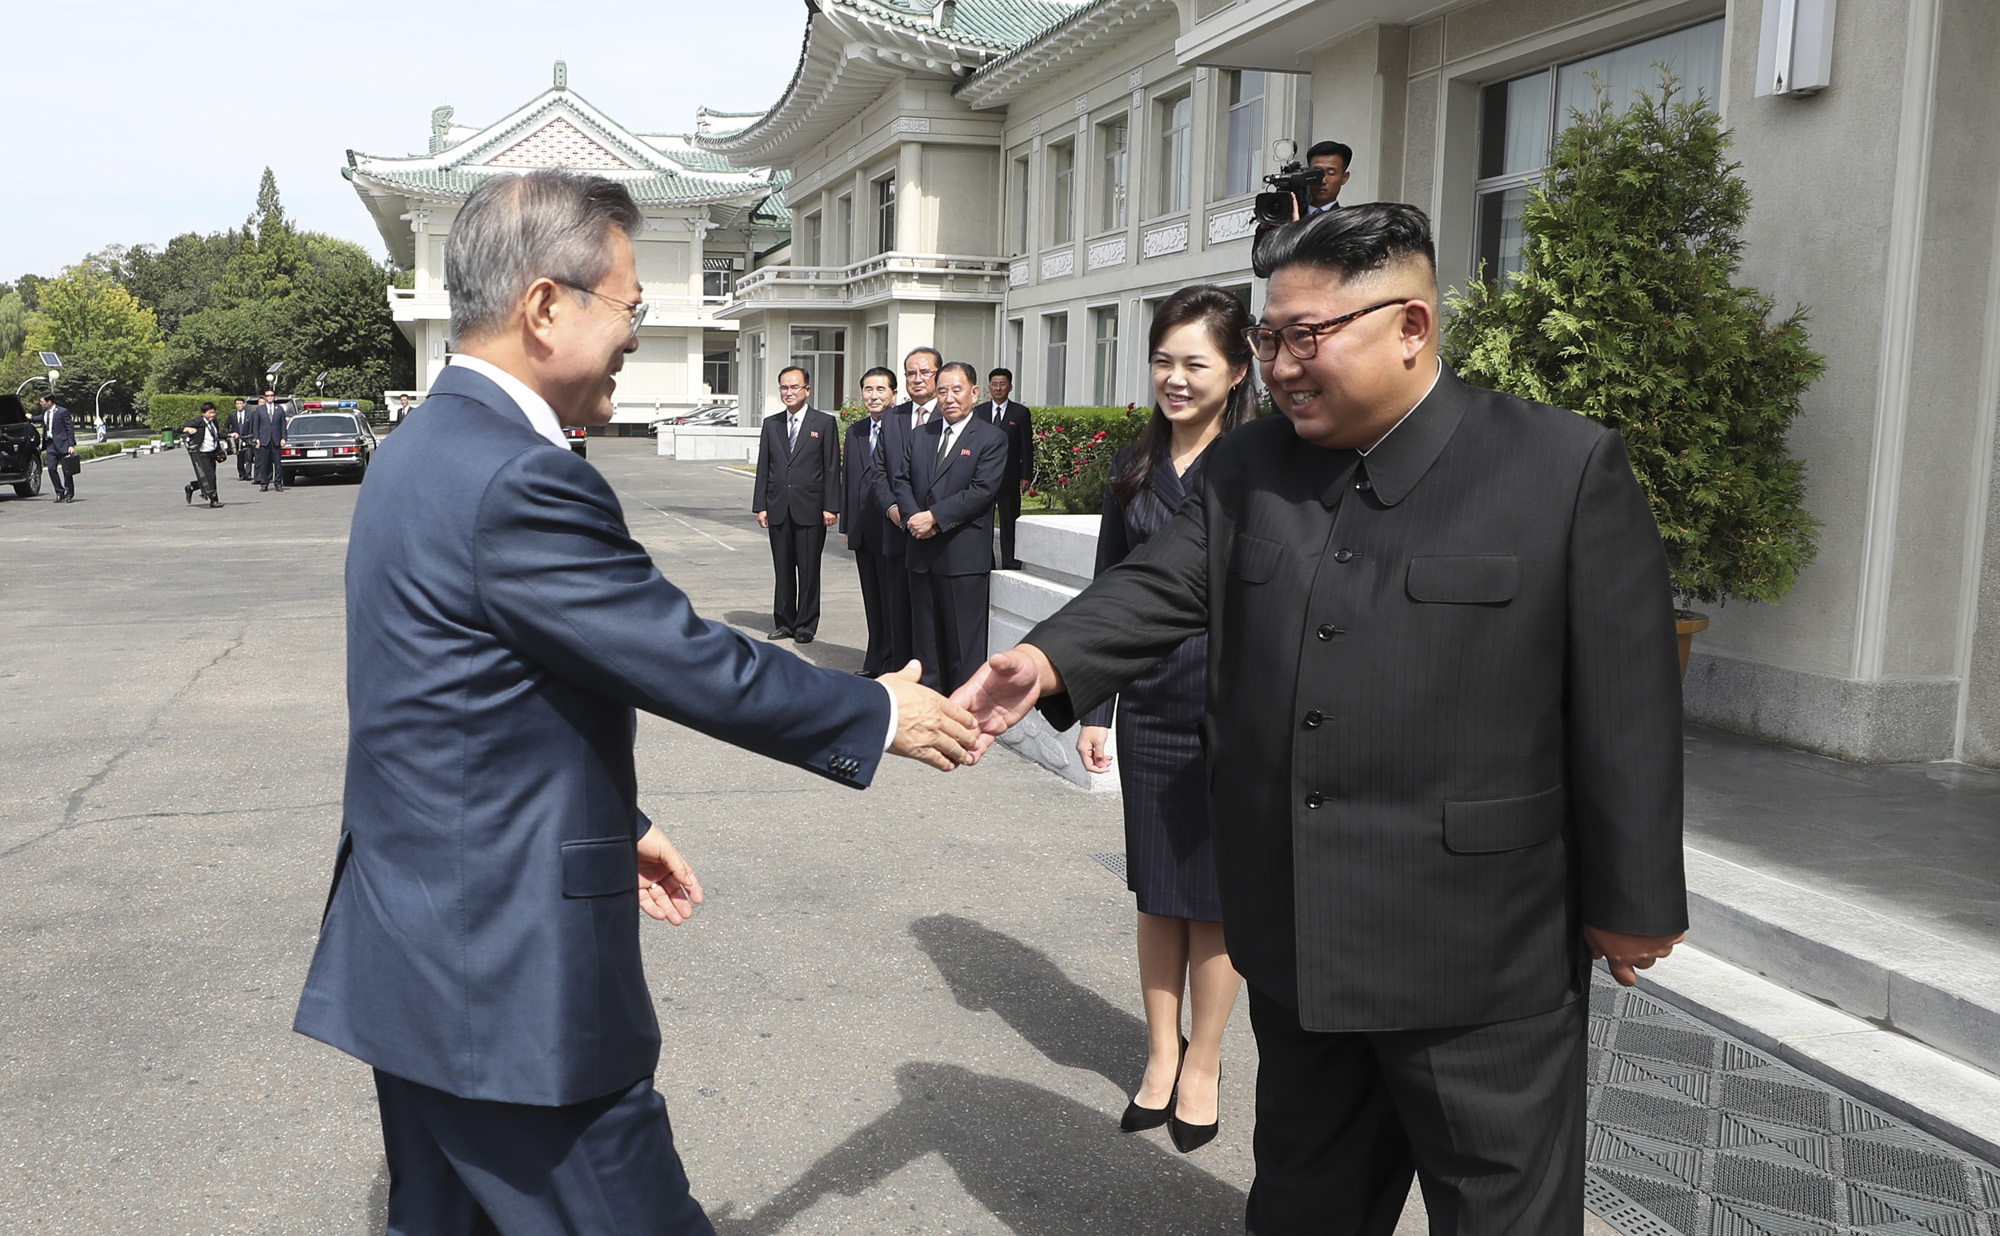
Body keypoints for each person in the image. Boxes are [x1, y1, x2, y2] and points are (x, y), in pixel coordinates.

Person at [954, 203, 1687, 1235]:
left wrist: (1635, 896)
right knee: (1303, 1207)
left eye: (1309, 336)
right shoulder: (1250, 469)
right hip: (1300, 942)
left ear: (1411, 327)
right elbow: (1160, 584)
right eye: (1269, 338)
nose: (1283, 365)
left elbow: (1628, 701)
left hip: (1478, 957)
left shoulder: (1557, 470)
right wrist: (1040, 659)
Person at [292, 169, 980, 1236]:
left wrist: (616, 819)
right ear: (544, 307)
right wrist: (876, 712)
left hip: (420, 950)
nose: (634, 333)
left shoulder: (421, 449)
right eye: (630, 306)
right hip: (506, 982)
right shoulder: (518, 476)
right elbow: (681, 653)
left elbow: (461, 702)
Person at [1075, 285, 1258, 1155]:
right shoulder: (1133, 470)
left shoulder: (1263, 465)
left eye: (1195, 363)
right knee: (1157, 894)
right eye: (1163, 361)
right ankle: (1159, 1052)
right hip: (1149, 703)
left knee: (1215, 902)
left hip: (1234, 712)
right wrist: (1096, 704)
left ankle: (1207, 1063)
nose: (1175, 379)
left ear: (1236, 368)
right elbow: (1109, 594)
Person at [893, 361, 1006, 694]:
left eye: (957, 390)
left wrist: (935, 518)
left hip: (962, 560)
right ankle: (930, 710)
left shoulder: (991, 438)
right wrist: (915, 517)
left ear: (974, 392)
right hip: (921, 555)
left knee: (962, 650)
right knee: (925, 647)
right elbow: (901, 480)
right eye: (942, 390)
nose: (949, 398)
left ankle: (964, 717)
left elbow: (981, 491)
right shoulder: (922, 434)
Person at [753, 366, 841, 643]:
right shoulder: (772, 424)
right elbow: (763, 467)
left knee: (808, 569)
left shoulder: (824, 423)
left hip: (811, 508)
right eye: (784, 387)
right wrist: (761, 505)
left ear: (807, 390)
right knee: (783, 568)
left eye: (794, 387)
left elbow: (831, 468)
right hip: (778, 506)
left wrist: (831, 506)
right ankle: (784, 622)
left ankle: (805, 624)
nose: (788, 392)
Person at [871, 348, 943, 664]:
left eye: (924, 372)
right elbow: (878, 472)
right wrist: (893, 509)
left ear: (938, 375)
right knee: (898, 614)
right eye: (911, 373)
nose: (917, 379)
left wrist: (926, 517)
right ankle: (900, 678)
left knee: (933, 618)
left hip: (937, 533)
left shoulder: (952, 414)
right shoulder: (892, 418)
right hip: (898, 531)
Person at [845, 366, 906, 676]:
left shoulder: (904, 428)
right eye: (868, 389)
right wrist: (847, 526)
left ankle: (893, 661)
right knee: (872, 599)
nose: (874, 395)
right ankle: (874, 658)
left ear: (894, 394)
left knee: (892, 599)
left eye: (881, 389)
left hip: (892, 528)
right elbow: (849, 480)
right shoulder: (855, 430)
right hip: (863, 531)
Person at [972, 369, 1034, 570]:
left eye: (1002, 384)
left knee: (1009, 522)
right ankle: (985, 561)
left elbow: (1026, 446)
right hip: (983, 477)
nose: (998, 388)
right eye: (994, 384)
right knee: (983, 523)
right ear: (989, 387)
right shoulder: (978, 412)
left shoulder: (1020, 413)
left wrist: (1026, 475)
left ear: (1010, 387)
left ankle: (1011, 561)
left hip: (1009, 477)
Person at [179, 401, 227, 508]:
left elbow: (217, 434)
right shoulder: (198, 421)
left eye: (213, 413)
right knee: (211, 477)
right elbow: (180, 428)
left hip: (212, 452)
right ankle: (214, 500)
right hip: (201, 453)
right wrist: (188, 429)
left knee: (207, 477)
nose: (212, 415)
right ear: (203, 413)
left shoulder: (214, 422)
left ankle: (192, 487)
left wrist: (229, 435)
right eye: (210, 413)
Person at [41, 394, 76, 503]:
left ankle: (69, 493)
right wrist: (30, 417)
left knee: (67, 471)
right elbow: (40, 419)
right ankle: (59, 492)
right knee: (51, 469)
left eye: (42, 402)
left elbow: (70, 428)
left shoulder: (62, 412)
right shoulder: (45, 412)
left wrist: (71, 444)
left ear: (49, 402)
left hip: (63, 445)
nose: (41, 404)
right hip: (50, 445)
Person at [251, 389, 288, 491]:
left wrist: (284, 438)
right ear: (265, 397)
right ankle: (264, 483)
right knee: (264, 463)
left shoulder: (279, 409)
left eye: (271, 395)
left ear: (274, 397)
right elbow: (256, 426)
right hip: (264, 439)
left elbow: (283, 425)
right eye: (268, 395)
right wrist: (256, 439)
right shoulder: (260, 410)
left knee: (278, 463)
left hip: (276, 439)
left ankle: (278, 483)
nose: (270, 397)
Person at [1304, 140, 1351, 215]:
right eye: (1316, 173)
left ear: (1344, 178)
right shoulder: (1290, 217)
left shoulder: (1348, 221)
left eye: (1331, 173)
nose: (1323, 180)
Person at [227, 398, 255, 480]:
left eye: (240, 403)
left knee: (249, 457)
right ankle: (241, 474)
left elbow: (253, 426)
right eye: (237, 404)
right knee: (240, 458)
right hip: (237, 439)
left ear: (244, 404)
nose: (239, 405)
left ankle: (248, 474)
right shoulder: (232, 415)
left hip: (247, 438)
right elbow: (226, 426)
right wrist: (229, 435)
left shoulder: (249, 415)